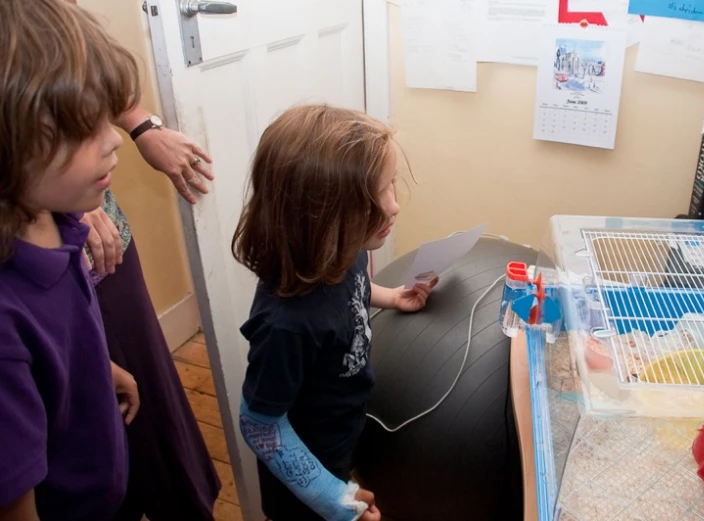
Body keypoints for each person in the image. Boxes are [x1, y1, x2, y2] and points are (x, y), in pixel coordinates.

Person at [232, 105, 438, 521]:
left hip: (341, 434)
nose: (394, 206)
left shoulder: (346, 252)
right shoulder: (285, 324)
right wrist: (334, 500)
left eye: (391, 186)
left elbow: (352, 295)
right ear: (322, 214)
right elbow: (260, 424)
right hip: (305, 475)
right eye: (377, 196)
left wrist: (393, 297)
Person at [61, 1, 222, 519]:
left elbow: (86, 59)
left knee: (139, 381)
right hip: (42, 237)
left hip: (100, 244)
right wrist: (48, 211)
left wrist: (142, 126)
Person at [0, 0, 142, 519]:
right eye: (84, 128)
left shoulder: (59, 222)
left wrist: (100, 369)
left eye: (108, 118)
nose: (113, 142)